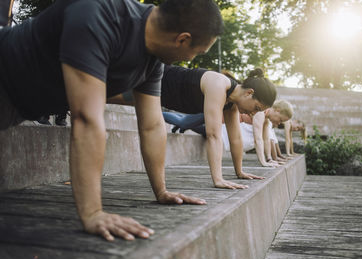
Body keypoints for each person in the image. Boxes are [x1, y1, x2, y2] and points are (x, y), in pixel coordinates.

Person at [0, 0, 224, 241]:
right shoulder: (99, 14)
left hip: (19, 106)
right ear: (182, 39)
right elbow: (86, 119)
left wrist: (162, 191)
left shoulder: (152, 62)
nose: (190, 59)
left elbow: (152, 125)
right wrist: (93, 213)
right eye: (197, 53)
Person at [109, 66, 277, 189]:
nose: (254, 114)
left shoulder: (231, 105)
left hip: (160, 96)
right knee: (104, 94)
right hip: (153, 80)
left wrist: (239, 172)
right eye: (256, 108)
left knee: (103, 96)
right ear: (249, 93)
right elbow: (213, 135)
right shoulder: (220, 84)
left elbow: (236, 139)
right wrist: (218, 179)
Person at [251, 100, 293, 167]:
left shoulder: (266, 120)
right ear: (277, 111)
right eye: (280, 120)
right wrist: (263, 162)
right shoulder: (261, 113)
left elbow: (266, 139)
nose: (279, 123)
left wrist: (269, 159)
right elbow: (258, 139)